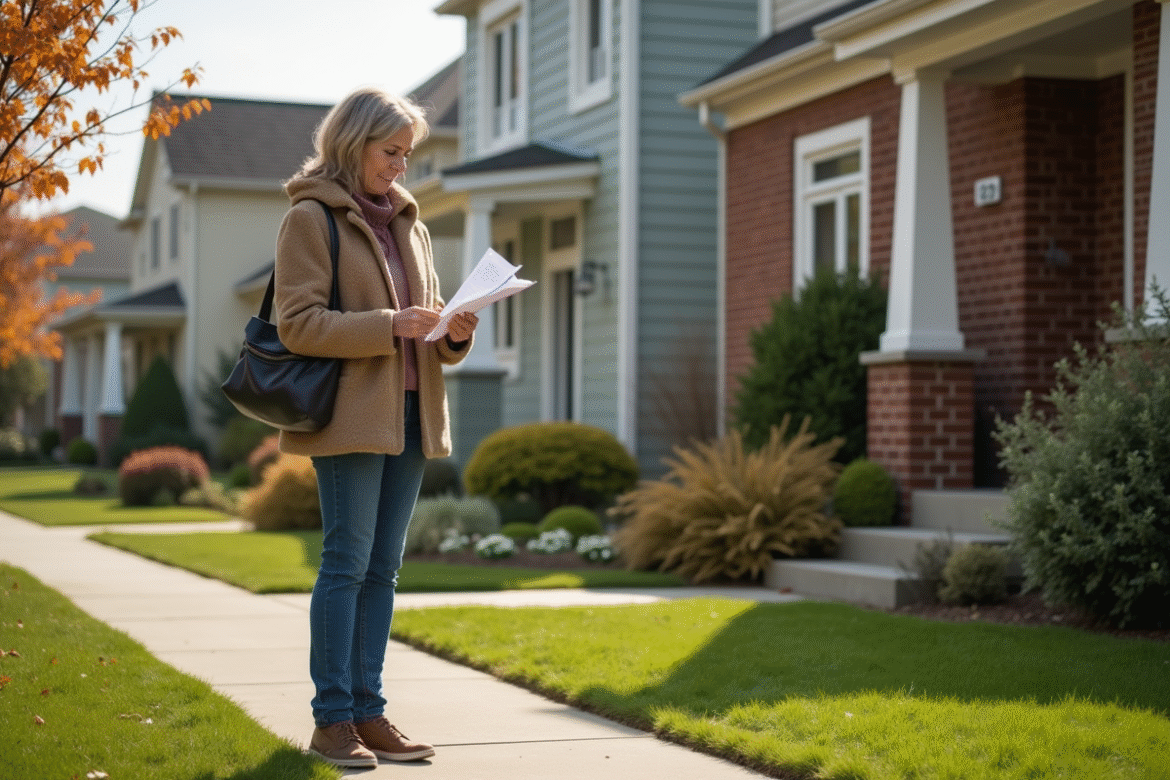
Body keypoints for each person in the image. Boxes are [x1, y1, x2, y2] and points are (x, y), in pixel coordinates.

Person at [274, 86, 479, 769]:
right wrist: (391, 324)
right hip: (351, 418)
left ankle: (369, 711)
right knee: (346, 565)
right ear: (353, 143)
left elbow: (429, 323)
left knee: (383, 572)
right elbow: (298, 324)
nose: (401, 165)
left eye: (406, 154)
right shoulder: (310, 218)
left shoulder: (411, 224)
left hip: (414, 416)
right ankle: (332, 720)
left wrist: (454, 330)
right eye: (391, 151)